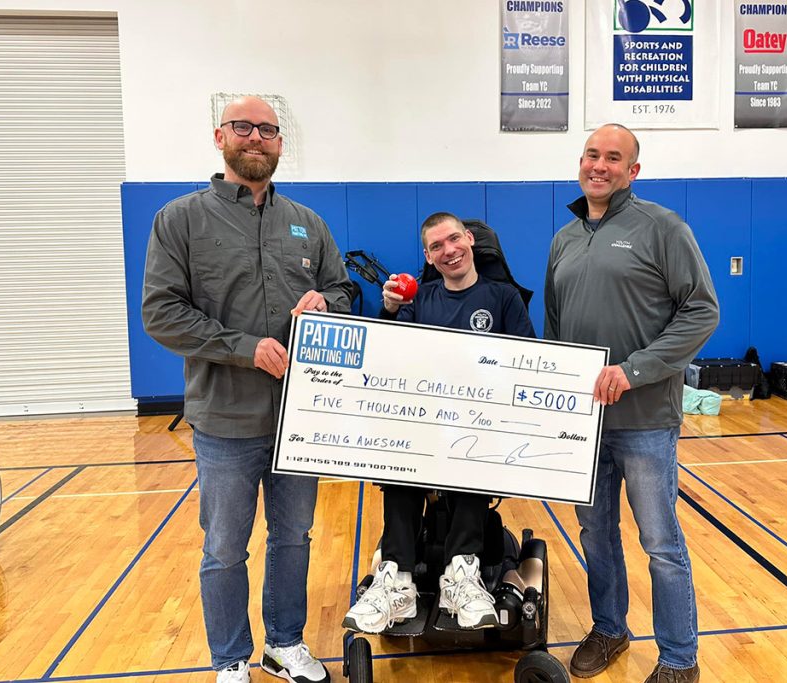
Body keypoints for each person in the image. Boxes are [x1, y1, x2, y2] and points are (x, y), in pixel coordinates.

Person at [143, 96, 353, 683]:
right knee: (224, 547)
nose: (255, 138)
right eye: (243, 127)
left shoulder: (308, 224)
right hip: (225, 419)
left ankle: (284, 644)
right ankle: (230, 659)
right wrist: (244, 348)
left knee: (293, 537)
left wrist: (327, 303)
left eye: (267, 130)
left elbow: (342, 293)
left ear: (281, 143)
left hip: (300, 418)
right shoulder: (180, 219)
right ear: (220, 137)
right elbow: (161, 313)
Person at [544, 124, 719, 682]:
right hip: (583, 425)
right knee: (596, 534)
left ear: (632, 170)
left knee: (660, 542)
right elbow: (554, 329)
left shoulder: (662, 227)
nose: (600, 165)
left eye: (613, 158)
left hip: (644, 422)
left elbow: (701, 311)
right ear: (581, 162)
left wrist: (634, 369)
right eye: (592, 155)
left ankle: (678, 659)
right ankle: (610, 628)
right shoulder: (565, 238)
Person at [342, 212, 535, 633]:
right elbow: (388, 357)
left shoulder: (503, 298)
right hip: (425, 427)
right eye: (436, 247)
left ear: (469, 239)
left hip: (480, 427)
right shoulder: (419, 300)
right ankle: (397, 578)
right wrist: (390, 310)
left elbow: (528, 364)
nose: (448, 251)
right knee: (398, 459)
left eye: (453, 240)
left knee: (469, 453)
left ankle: (462, 573)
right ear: (428, 257)